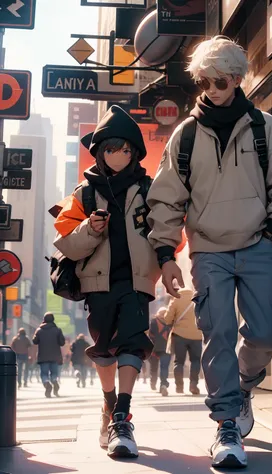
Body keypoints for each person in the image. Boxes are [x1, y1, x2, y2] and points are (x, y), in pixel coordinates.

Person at [147, 36, 272, 469]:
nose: (212, 89)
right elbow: (165, 200)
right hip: (207, 252)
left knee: (263, 333)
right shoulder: (184, 136)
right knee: (217, 333)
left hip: (257, 244)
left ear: (237, 79)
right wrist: (166, 254)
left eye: (220, 80)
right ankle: (226, 425)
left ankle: (240, 387)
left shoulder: (263, 127)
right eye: (204, 81)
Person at [53, 105, 161, 459]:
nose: (119, 156)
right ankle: (109, 402)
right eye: (112, 149)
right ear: (100, 152)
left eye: (126, 149)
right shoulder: (82, 194)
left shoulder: (149, 189)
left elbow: (169, 233)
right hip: (96, 285)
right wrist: (90, 229)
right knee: (103, 350)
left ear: (135, 153)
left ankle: (121, 417)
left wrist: (164, 263)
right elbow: (66, 243)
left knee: (132, 342)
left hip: (137, 283)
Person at [161, 288, 202, 395]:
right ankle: (193, 384)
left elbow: (167, 319)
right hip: (197, 335)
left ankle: (179, 386)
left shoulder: (176, 299)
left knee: (179, 362)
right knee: (196, 361)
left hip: (180, 335)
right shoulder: (197, 297)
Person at [32, 313, 65, 398]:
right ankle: (54, 381)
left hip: (43, 356)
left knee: (44, 374)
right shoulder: (58, 330)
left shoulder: (39, 330)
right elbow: (62, 343)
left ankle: (47, 383)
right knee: (54, 373)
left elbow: (35, 341)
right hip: (55, 356)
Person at [148, 307, 172, 396]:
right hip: (166, 348)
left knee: (154, 367)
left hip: (155, 348)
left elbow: (150, 335)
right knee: (164, 367)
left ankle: (153, 382)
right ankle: (163, 384)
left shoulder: (153, 321)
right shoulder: (170, 322)